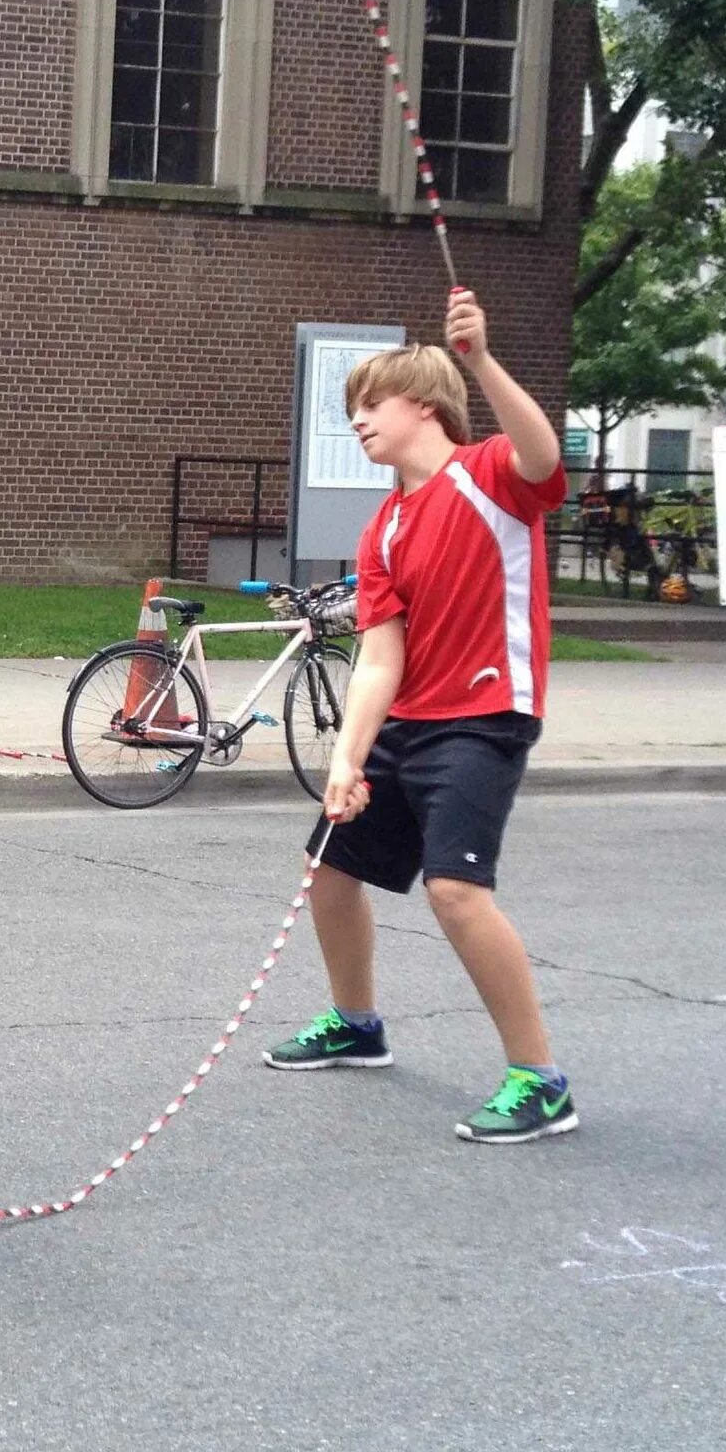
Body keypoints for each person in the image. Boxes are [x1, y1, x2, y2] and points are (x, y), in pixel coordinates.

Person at [267, 288, 579, 1144]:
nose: (358, 421)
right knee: (329, 871)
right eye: (351, 410)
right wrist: (346, 759)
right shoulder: (385, 530)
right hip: (408, 721)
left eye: (371, 404)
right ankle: (357, 1024)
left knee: (455, 890)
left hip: (485, 717)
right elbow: (379, 656)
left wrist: (480, 358)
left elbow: (543, 452)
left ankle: (540, 1080)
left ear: (427, 405)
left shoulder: (490, 477)